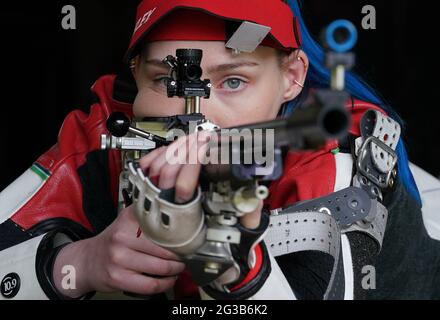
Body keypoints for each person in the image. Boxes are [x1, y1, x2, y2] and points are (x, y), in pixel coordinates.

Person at [1, 0, 439, 300]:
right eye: (163, 82)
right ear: (135, 77)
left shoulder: (332, 159)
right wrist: (73, 263)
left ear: (292, 76)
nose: (198, 116)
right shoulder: (100, 139)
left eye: (233, 82)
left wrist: (236, 269)